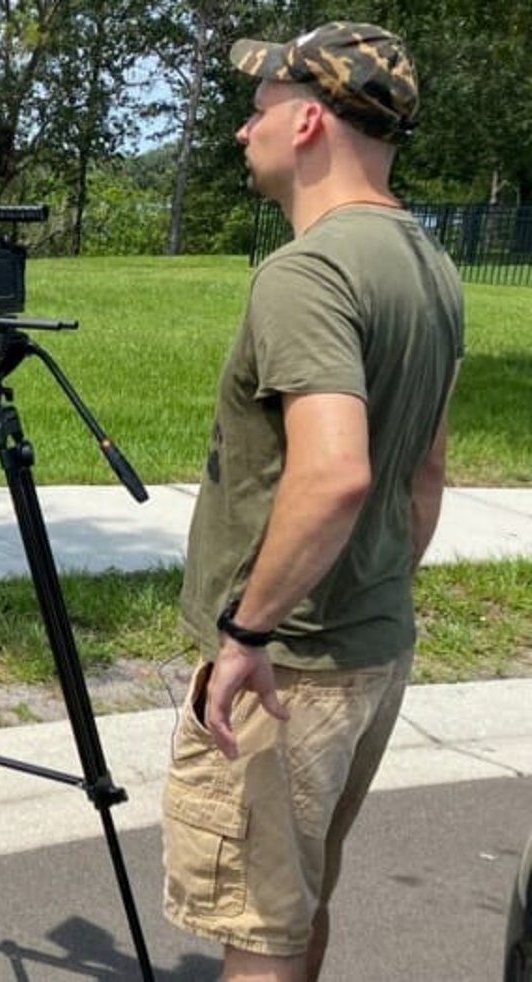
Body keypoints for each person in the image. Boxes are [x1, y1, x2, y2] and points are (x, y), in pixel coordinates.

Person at [162, 22, 464, 982]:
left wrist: (248, 635)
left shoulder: (307, 272)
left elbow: (336, 473)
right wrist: (370, 588)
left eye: (255, 111)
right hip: (373, 646)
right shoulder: (430, 267)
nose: (240, 132)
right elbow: (425, 474)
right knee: (296, 910)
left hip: (288, 667)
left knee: (256, 931)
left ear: (305, 122)